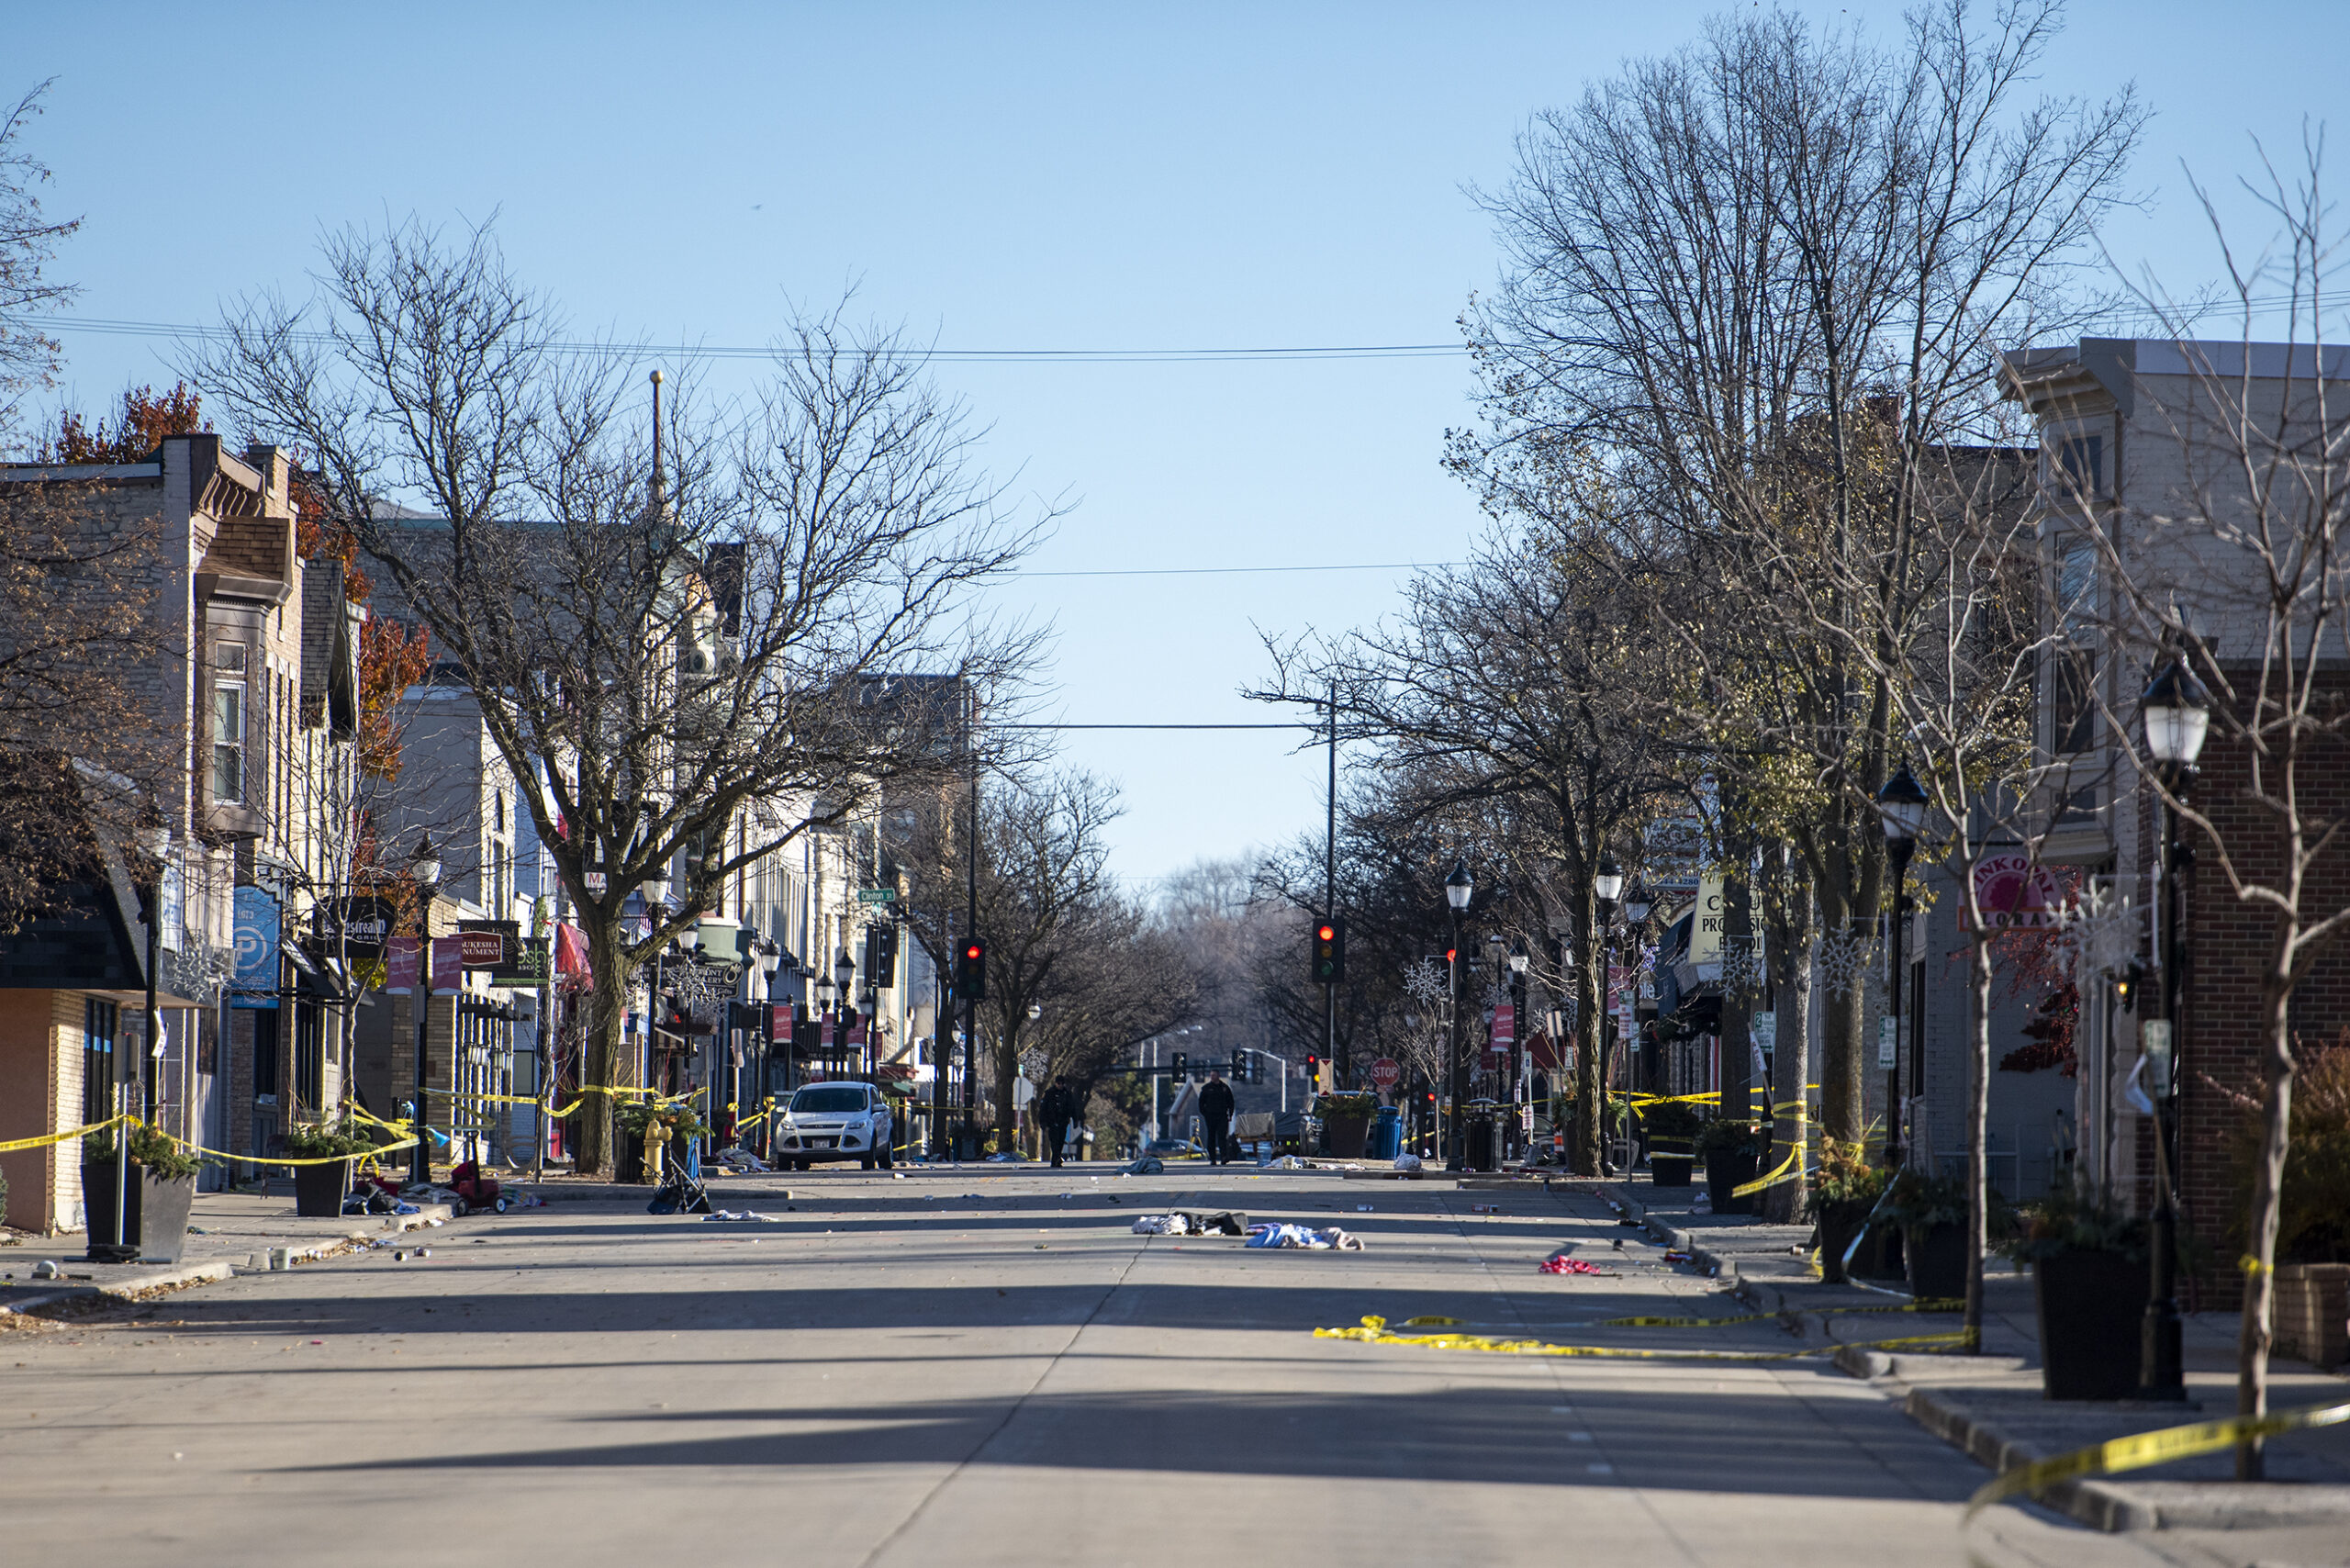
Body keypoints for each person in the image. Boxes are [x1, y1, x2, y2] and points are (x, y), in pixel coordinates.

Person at [1199, 1070, 1236, 1166]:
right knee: (1211, 1137)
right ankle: (1212, 1159)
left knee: (1222, 1137)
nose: (1212, 1077)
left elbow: (1231, 1102)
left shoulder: (1225, 1088)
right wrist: (1205, 1114)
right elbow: (1201, 1103)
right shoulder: (1206, 1088)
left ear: (1218, 1075)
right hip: (1210, 1116)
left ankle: (1224, 1157)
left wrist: (1230, 1114)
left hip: (1222, 1116)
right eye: (1211, 1075)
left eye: (1214, 1075)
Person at [1039, 1077, 1076, 1169]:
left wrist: (1074, 1118)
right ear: (1055, 1083)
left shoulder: (1067, 1094)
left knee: (1060, 1142)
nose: (1060, 1085)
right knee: (1054, 1142)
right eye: (1058, 1083)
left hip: (1063, 1122)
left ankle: (1057, 1159)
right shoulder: (1049, 1093)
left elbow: (1072, 1108)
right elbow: (1043, 1109)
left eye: (1062, 1083)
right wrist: (1043, 1122)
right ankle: (1055, 1160)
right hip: (1052, 1122)